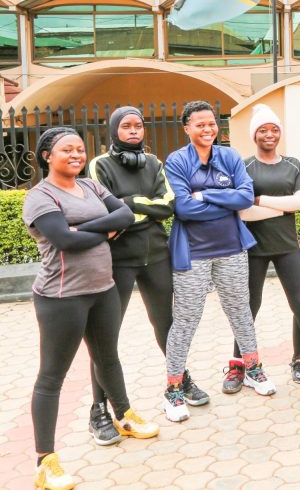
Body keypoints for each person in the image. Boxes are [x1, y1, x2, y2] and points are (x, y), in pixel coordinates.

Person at [24, 127, 159, 490]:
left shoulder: (91, 187)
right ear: (47, 156)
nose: (76, 155)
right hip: (62, 296)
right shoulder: (40, 197)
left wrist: (83, 227)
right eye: (66, 150)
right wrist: (102, 231)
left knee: (108, 357)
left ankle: (123, 415)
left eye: (80, 149)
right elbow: (63, 240)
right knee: (52, 376)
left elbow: (125, 216)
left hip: (103, 288)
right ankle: (45, 462)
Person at [86, 107, 208, 443]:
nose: (133, 131)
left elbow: (167, 206)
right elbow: (108, 209)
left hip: (156, 255)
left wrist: (129, 204)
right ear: (114, 130)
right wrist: (141, 208)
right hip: (118, 260)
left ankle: (179, 380)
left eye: (138, 125)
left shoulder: (154, 163)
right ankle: (99, 409)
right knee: (104, 337)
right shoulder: (100, 165)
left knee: (167, 324)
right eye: (126, 126)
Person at [163, 101, 274, 424]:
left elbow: (245, 197)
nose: (207, 129)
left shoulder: (229, 156)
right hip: (192, 253)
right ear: (187, 128)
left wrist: (205, 195)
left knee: (240, 310)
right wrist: (224, 200)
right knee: (186, 319)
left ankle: (252, 369)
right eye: (200, 124)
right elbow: (183, 209)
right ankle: (173, 389)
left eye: (211, 123)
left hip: (232, 248)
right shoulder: (177, 161)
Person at [238, 105, 300, 383]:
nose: (269, 134)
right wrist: (284, 208)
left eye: (274, 129)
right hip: (255, 249)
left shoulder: (292, 164)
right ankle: (238, 365)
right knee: (249, 307)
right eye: (263, 130)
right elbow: (243, 211)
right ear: (254, 134)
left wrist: (261, 200)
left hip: (288, 248)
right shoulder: (244, 166)